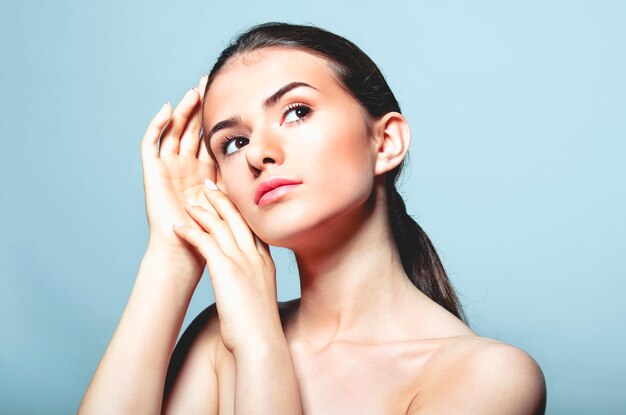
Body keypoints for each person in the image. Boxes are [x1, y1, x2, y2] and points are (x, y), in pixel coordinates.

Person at [79, 22, 547, 414]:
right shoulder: (218, 341)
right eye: (234, 142)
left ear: (385, 142)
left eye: (296, 111)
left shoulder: (488, 378)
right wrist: (174, 251)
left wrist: (262, 347)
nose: (259, 153)